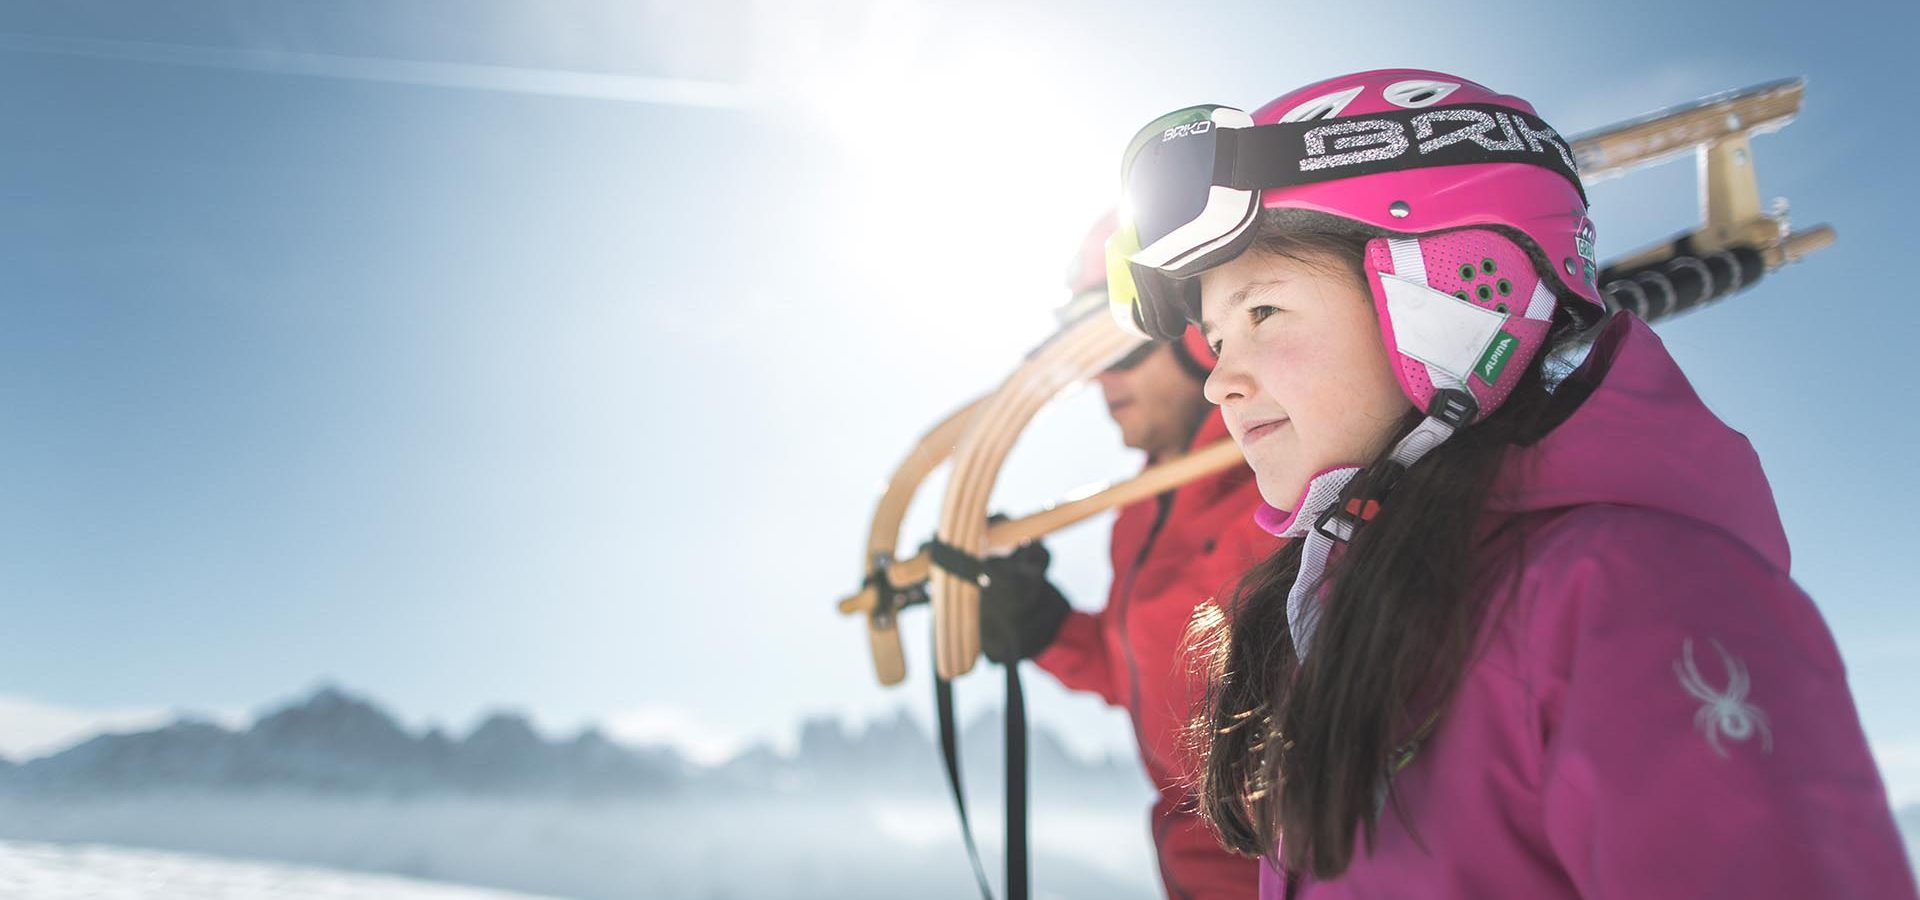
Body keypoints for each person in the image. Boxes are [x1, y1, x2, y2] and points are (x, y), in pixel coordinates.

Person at [1104, 69, 1916, 898]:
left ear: (1451, 291)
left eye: (1262, 315)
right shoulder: (1333, 622)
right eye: (1214, 341)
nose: (1218, 384)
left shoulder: (1632, 601)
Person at [946, 214, 1274, 899]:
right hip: (1196, 872)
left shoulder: (1281, 477)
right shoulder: (1138, 510)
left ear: (1195, 334)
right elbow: (1152, 670)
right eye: (1087, 360)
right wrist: (1044, 628)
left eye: (1120, 348)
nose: (1102, 382)